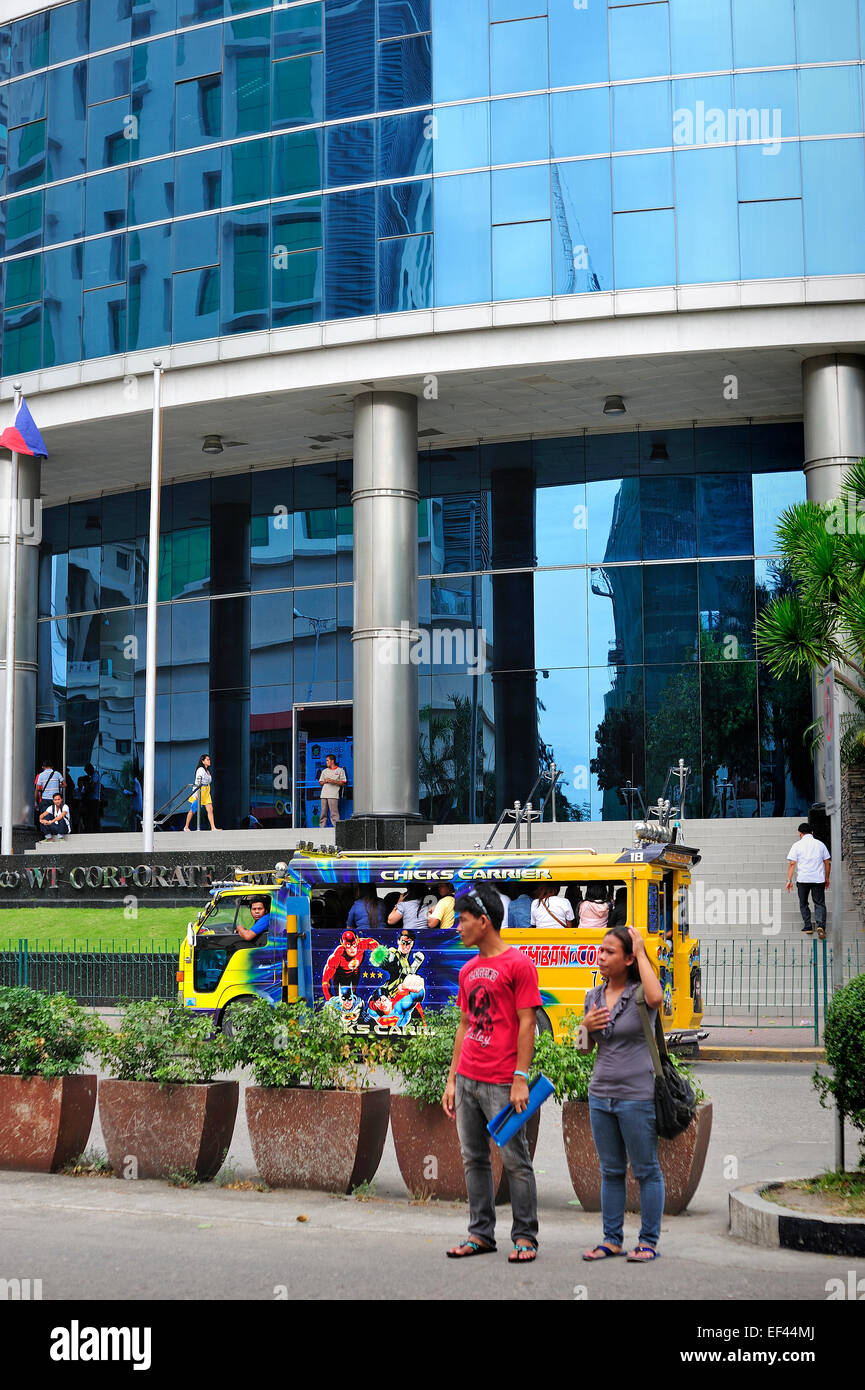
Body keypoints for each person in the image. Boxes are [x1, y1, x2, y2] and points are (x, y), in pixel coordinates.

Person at [442, 883, 542, 1264]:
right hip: (468, 1077)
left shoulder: (518, 964)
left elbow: (527, 1022)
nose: (459, 927)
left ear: (484, 922)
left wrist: (520, 1077)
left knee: (516, 1159)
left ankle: (525, 1237)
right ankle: (480, 1234)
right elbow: (464, 1025)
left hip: (503, 1081)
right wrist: (452, 1079)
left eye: (463, 921)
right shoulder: (468, 968)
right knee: (473, 1158)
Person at [579, 924, 666, 1264]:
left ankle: (648, 1242)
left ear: (629, 958)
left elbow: (658, 998)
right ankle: (611, 1240)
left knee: (646, 1170)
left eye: (610, 952)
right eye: (601, 951)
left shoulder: (642, 994)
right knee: (611, 1170)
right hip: (601, 1095)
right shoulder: (594, 997)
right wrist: (584, 1028)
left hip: (637, 1096)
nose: (601, 957)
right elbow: (584, 1050)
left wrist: (643, 950)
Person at [786, 821, 831, 939]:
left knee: (803, 903)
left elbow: (792, 863)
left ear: (800, 834)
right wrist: (827, 877)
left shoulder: (796, 845)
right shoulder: (820, 844)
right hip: (818, 879)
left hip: (803, 879)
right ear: (812, 832)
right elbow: (827, 862)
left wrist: (789, 880)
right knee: (819, 902)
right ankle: (820, 925)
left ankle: (808, 926)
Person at [184, 754, 218, 832]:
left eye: (209, 759)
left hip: (206, 791)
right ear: (203, 761)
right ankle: (186, 826)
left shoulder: (207, 770)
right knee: (193, 809)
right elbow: (198, 781)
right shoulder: (200, 770)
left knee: (210, 809)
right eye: (207, 759)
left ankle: (213, 827)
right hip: (200, 790)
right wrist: (196, 793)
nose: (209, 761)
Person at [319, 753, 347, 828]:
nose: (326, 762)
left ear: (332, 761)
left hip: (333, 795)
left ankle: (336, 827)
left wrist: (334, 781)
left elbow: (344, 782)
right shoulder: (324, 771)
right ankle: (321, 827)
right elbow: (320, 782)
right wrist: (325, 781)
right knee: (323, 812)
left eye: (327, 760)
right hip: (324, 794)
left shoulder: (340, 770)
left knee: (334, 813)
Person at [82, 762, 102, 833]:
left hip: (94, 799)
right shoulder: (93, 776)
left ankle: (95, 830)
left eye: (87, 771)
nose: (87, 773)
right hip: (92, 798)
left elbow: (92, 786)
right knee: (91, 815)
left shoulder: (95, 775)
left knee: (93, 815)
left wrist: (87, 787)